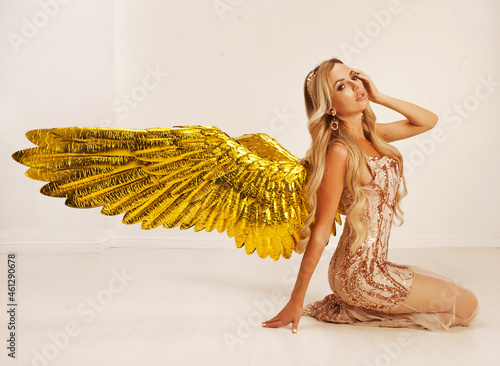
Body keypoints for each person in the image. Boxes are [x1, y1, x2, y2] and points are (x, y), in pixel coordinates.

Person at [261, 58, 478, 333]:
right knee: (467, 307)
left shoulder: (373, 135)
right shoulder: (339, 152)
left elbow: (429, 121)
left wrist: (379, 96)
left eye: (353, 77)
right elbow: (321, 232)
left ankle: (356, 309)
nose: (354, 86)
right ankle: (354, 309)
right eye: (342, 86)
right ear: (329, 107)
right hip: (358, 275)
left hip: (377, 264)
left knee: (461, 303)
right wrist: (296, 300)